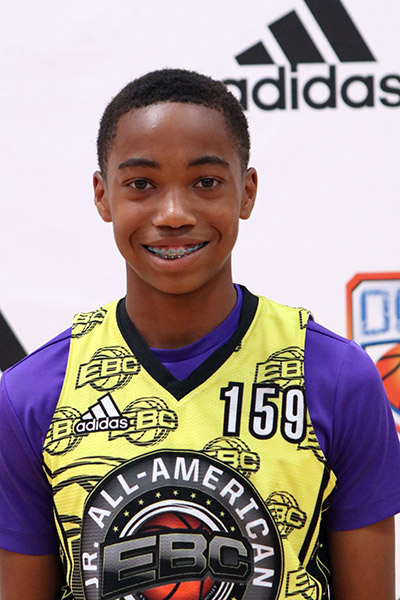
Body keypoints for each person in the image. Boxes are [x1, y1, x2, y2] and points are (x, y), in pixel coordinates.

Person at [0, 68, 399, 600]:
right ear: (102, 195)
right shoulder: (32, 395)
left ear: (246, 192)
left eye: (205, 182)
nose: (173, 214)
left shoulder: (336, 377)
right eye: (141, 184)